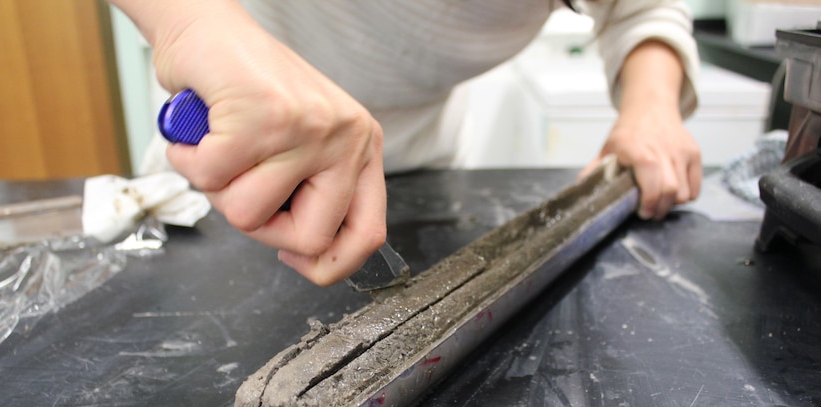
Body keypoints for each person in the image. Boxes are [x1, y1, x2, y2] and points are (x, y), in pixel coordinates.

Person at [109, 0, 702, 286]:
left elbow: (639, 9)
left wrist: (652, 107)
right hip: (232, 160)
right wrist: (190, 23)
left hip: (420, 169)